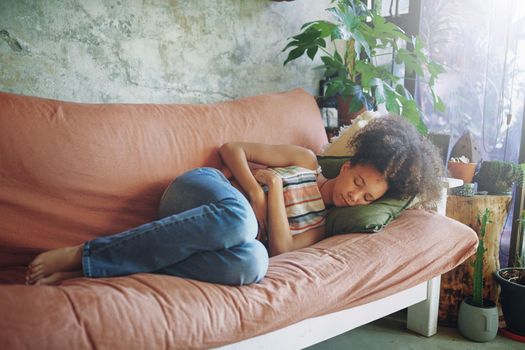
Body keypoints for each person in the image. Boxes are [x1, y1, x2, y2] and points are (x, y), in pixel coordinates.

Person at [25, 115, 443, 286]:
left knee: (253, 264)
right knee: (240, 222)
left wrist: (272, 193)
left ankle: (115, 265)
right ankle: (85, 254)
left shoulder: (319, 226)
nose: (355, 197)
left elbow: (279, 248)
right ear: (350, 164)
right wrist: (250, 193)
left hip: (211, 235)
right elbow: (232, 150)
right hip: (198, 191)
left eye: (367, 198)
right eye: (360, 182)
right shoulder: (305, 160)